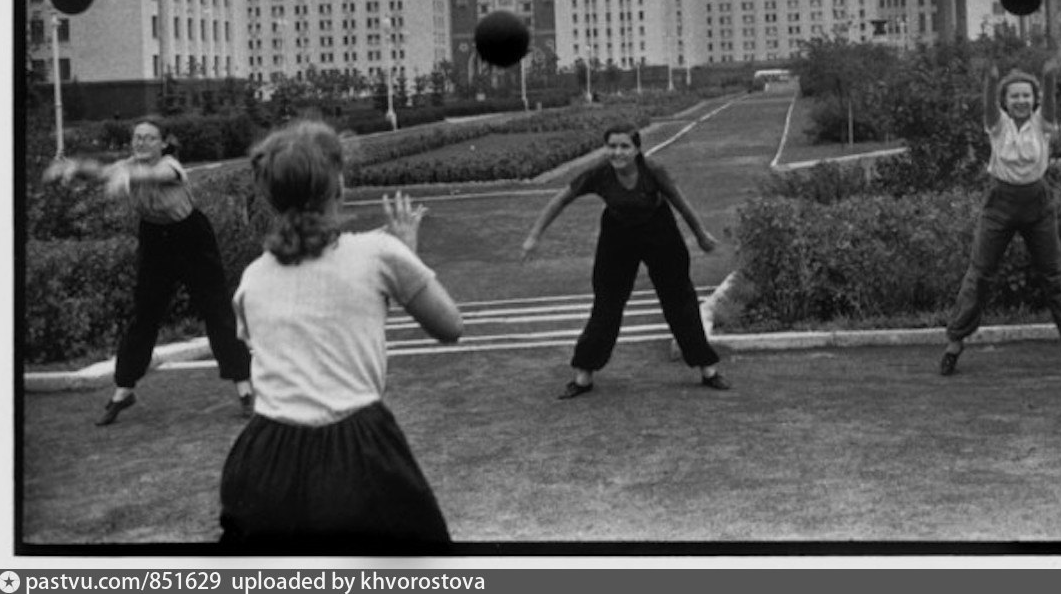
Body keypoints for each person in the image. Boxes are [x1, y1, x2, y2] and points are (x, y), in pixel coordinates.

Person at [218, 120, 463, 551]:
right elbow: (450, 327)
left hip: (264, 458)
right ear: (340, 186)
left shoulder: (252, 278)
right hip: (357, 450)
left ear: (271, 197)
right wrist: (407, 253)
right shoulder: (377, 253)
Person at [44, 117, 253, 426]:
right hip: (155, 240)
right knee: (145, 315)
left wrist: (127, 176)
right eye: (137, 138)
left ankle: (245, 389)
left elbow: (154, 174)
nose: (140, 143)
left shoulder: (170, 166)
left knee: (217, 311)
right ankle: (123, 391)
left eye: (148, 138)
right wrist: (73, 168)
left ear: (164, 143)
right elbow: (103, 172)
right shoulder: (128, 164)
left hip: (192, 239)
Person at [521, 124, 727, 399]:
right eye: (612, 146)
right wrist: (534, 237)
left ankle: (708, 369)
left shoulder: (653, 171)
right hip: (618, 234)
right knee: (607, 303)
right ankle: (583, 375)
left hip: (659, 230)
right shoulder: (598, 173)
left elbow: (680, 202)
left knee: (679, 299)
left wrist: (701, 235)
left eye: (624, 147)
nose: (617, 152)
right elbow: (560, 200)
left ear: (637, 149)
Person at [940, 60, 1061, 377]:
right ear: (1005, 102)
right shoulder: (997, 125)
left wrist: (1049, 77)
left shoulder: (1043, 123)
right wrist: (991, 80)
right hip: (1000, 202)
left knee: (1054, 274)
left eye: (1026, 95)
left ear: (1034, 99)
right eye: (1014, 97)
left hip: (1037, 202)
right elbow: (988, 105)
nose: (1021, 101)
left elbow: (1049, 103)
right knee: (980, 273)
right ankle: (954, 343)